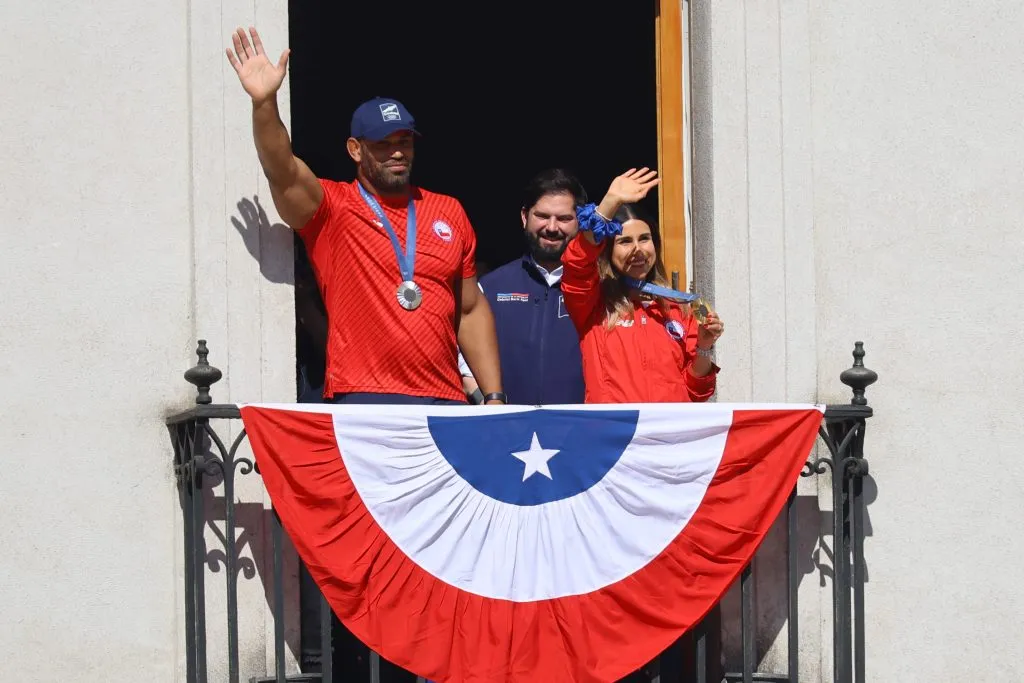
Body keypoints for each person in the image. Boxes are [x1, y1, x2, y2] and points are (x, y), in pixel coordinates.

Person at [225, 27, 505, 407]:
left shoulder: (448, 210)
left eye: (404, 142)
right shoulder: (331, 208)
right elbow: (282, 168)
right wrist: (264, 104)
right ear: (355, 150)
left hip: (444, 398)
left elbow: (470, 309)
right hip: (364, 398)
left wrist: (493, 396)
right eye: (383, 145)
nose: (397, 153)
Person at [561, 166, 725, 403]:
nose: (637, 249)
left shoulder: (678, 307)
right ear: (608, 250)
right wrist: (609, 203)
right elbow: (576, 263)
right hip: (615, 435)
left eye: (644, 239)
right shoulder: (592, 304)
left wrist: (704, 346)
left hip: (668, 435)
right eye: (625, 241)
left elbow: (695, 392)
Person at [458, 168, 587, 405]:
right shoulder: (490, 287)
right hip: (506, 432)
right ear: (524, 217)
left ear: (581, 221)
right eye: (542, 216)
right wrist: (491, 407)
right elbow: (466, 369)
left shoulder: (597, 289)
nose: (551, 227)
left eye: (564, 218)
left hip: (579, 431)